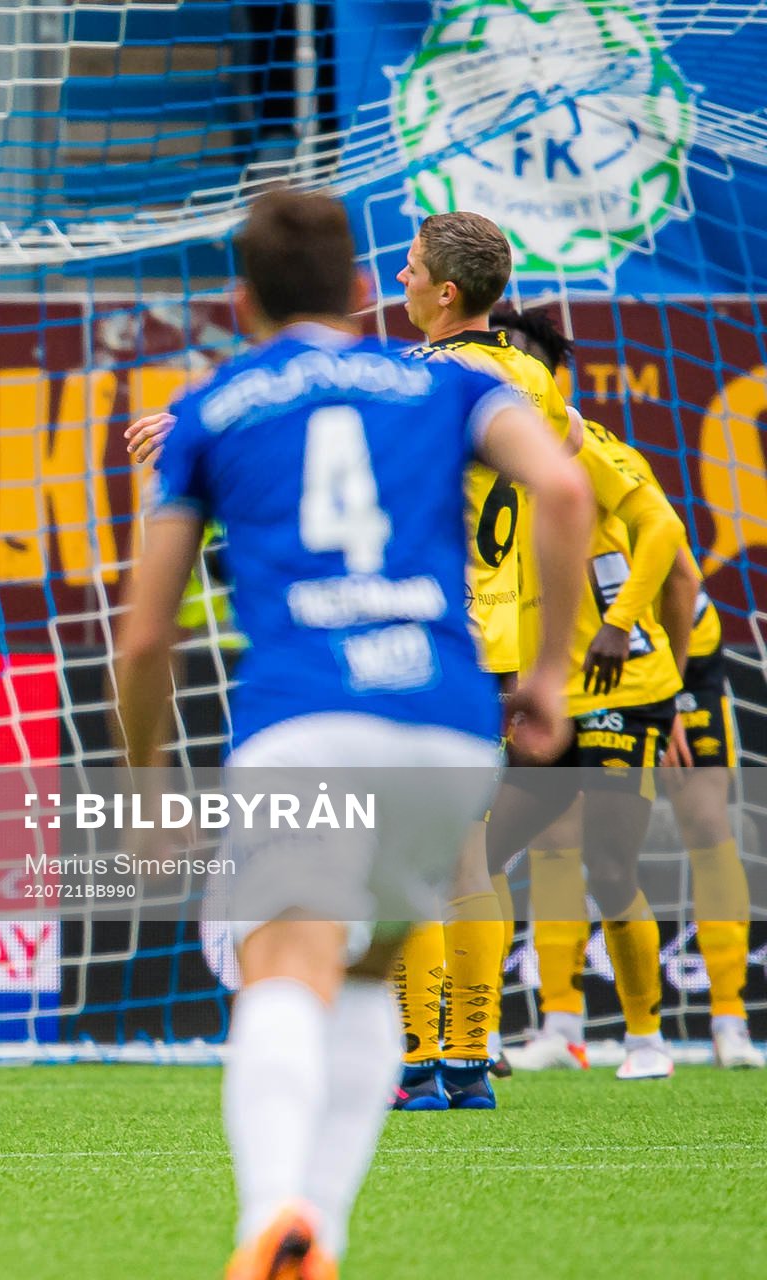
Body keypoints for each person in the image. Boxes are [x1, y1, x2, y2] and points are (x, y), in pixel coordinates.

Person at [117, 190, 590, 1277]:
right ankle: (314, 1233)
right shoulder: (447, 381)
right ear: (367, 290)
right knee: (370, 976)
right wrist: (552, 674)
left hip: (306, 718)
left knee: (284, 964)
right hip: (444, 719)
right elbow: (564, 486)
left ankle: (274, 1214)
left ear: (239, 302)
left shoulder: (216, 404)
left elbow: (146, 638)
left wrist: (146, 786)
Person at [490, 306, 764, 1073]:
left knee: (696, 820)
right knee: (535, 837)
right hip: (561, 678)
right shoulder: (487, 458)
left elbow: (676, 566)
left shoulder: (587, 448)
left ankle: (723, 1023)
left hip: (662, 660)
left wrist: (668, 691)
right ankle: (559, 1022)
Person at [384, 211, 581, 1109]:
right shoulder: (530, 378)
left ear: (446, 292)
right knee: (466, 864)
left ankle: (420, 1061)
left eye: (413, 267)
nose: (401, 280)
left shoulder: (429, 378)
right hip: (496, 646)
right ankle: (467, 1061)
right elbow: (569, 450)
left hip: (425, 639)